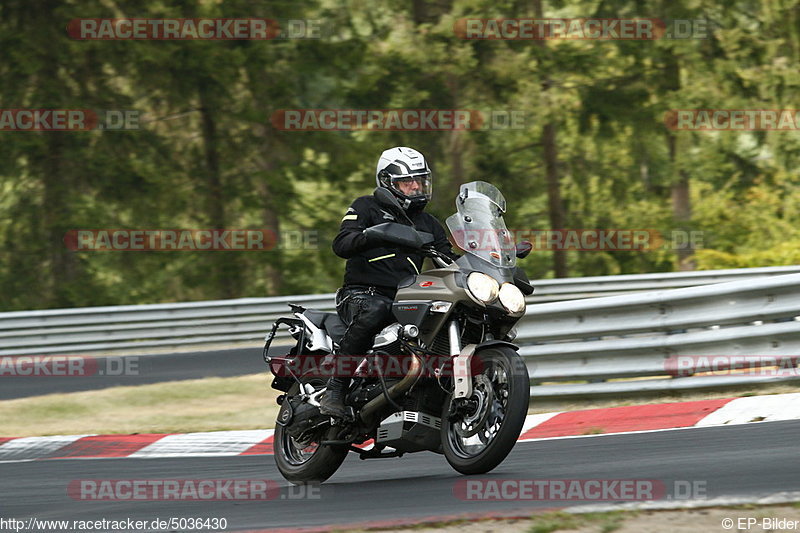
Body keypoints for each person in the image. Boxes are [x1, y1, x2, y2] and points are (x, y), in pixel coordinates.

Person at [320, 146, 459, 418]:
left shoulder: (428, 223)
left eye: (420, 181)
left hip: (406, 298)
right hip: (361, 295)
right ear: (387, 181)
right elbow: (342, 243)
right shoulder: (365, 207)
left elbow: (449, 260)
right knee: (377, 309)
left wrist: (487, 259)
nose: (416, 187)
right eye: (408, 182)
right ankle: (335, 388)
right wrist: (376, 233)